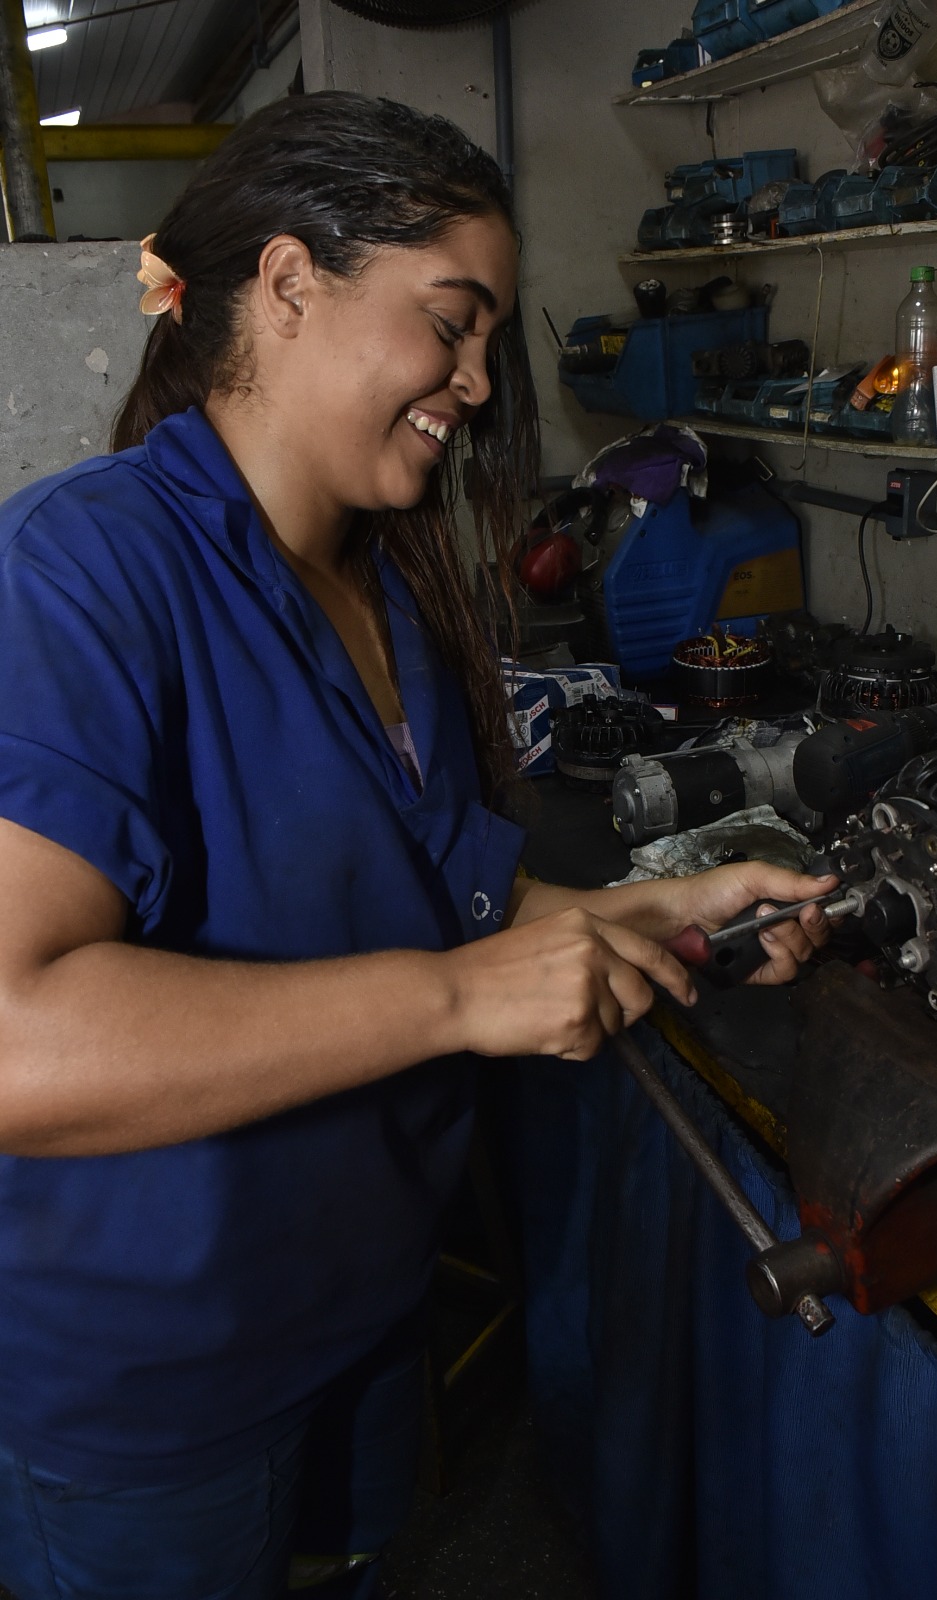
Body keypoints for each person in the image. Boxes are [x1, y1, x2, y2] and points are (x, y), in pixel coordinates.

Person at [0, 91, 832, 1600]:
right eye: (450, 323)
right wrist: (456, 1001)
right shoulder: (80, 573)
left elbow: (444, 894)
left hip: (363, 1308)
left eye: (490, 339)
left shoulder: (385, 588)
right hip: (159, 1379)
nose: (479, 381)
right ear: (289, 283)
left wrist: (657, 908)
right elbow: (18, 1041)